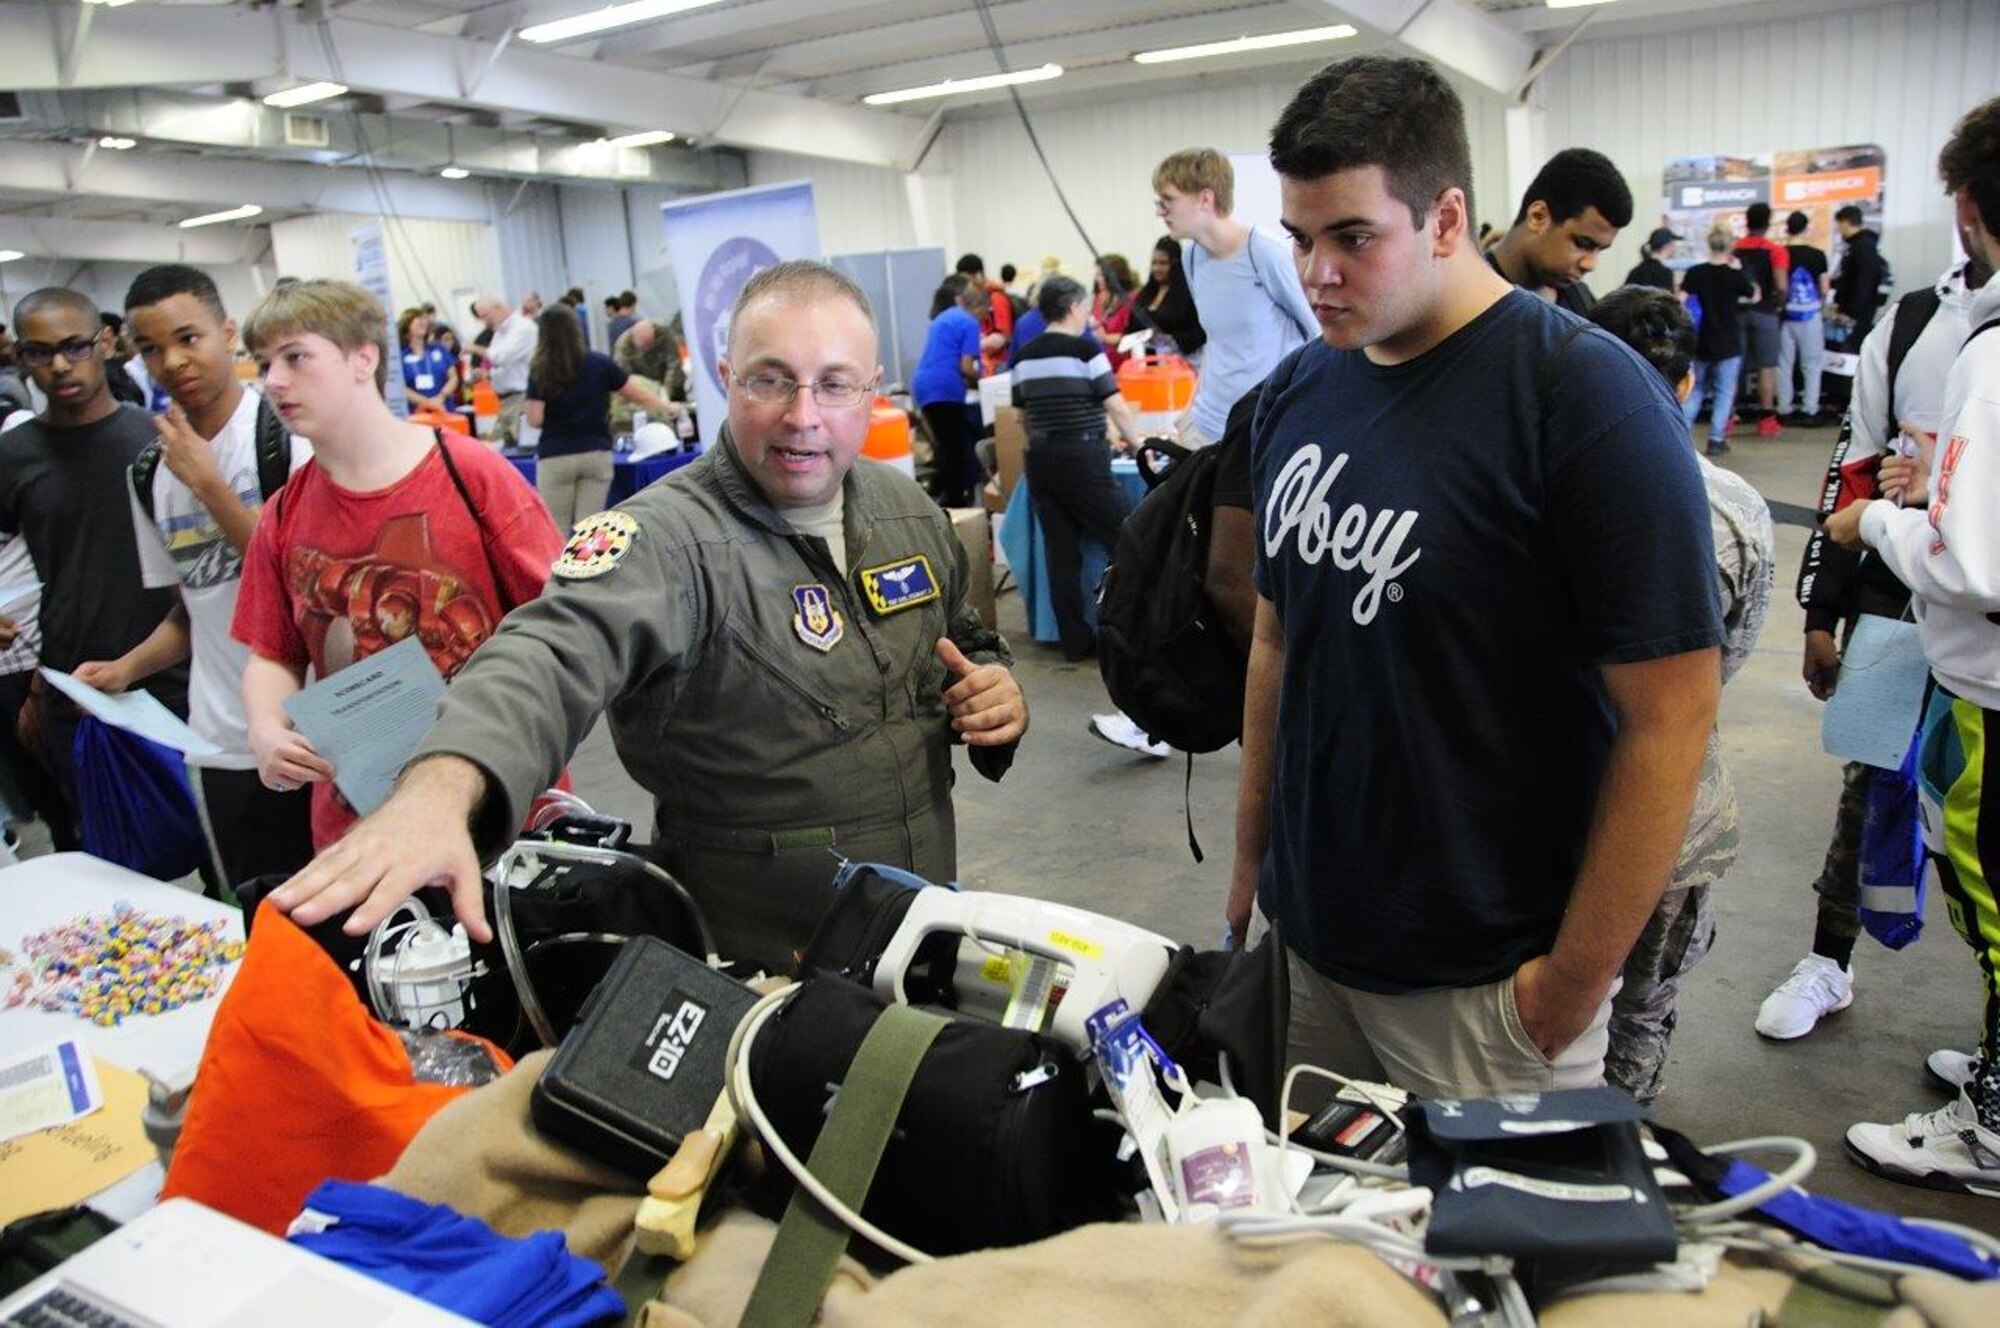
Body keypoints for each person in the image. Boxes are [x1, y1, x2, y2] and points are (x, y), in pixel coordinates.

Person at [261, 261, 1028, 973]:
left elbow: (962, 640)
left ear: (873, 390)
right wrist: (442, 787)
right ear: (726, 380)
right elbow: (545, 655)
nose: (803, 416)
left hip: (926, 914)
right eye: (771, 381)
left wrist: (997, 691)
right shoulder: (662, 540)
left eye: (835, 385)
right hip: (763, 955)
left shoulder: (906, 512)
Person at [1231, 56, 1722, 1101]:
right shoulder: (1298, 390)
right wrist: (1251, 863)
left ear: (1445, 216)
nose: (1315, 272)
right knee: (1324, 1256)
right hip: (1312, 952)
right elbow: (1278, 640)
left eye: (1351, 236)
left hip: (1486, 994)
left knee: (1493, 1266)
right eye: (1298, 239)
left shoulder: (1582, 399)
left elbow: (1671, 715)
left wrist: (1566, 988)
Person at [231, 280, 564, 853]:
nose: (275, 382)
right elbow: (273, 653)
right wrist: (264, 728)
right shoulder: (283, 513)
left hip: (501, 806)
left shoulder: (471, 475)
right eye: (265, 364)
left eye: (296, 357)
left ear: (363, 356)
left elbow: (563, 620)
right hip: (363, 820)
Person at [1827, 95, 2000, 1197]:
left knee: (1989, 898)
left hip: (1980, 675)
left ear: (1969, 205)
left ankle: (1988, 1132)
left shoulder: (1990, 350)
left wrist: (1877, 524)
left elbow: (1966, 559)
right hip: (1934, 664)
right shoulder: (1912, 325)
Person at [1762, 243, 1993, 1044]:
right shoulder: (1912, 324)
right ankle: (1830, 956)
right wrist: (1821, 612)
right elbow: (1852, 469)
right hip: (1897, 601)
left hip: (1985, 625)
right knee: (1870, 782)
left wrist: (1945, 495)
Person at [68, 264, 316, 890]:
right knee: (263, 916)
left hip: (319, 729)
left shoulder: (289, 438)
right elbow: (194, 608)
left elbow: (303, 580)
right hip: (224, 740)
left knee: (363, 925)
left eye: (188, 337)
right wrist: (126, 669)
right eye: (150, 348)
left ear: (228, 332)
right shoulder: (150, 471)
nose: (172, 360)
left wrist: (210, 486)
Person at [1587, 285, 1773, 1104]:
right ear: (1689, 384)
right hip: (1679, 805)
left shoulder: (1544, 499)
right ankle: (1623, 1150)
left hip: (1554, 803)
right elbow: (1725, 662)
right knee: (1645, 1005)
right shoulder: (1740, 509)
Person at [0, 288, 190, 847]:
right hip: (74, 687)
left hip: (178, 680)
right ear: (19, 358)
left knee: (214, 858)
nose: (59, 365)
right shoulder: (14, 457)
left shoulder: (160, 441)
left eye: (74, 346)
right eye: (39, 352)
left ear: (105, 343)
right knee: (92, 858)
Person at [1011, 276, 1145, 663]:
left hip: (1041, 461)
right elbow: (1116, 406)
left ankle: (1075, 640)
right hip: (1083, 460)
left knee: (1061, 556)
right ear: (1073, 307)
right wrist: (1139, 445)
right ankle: (1135, 632)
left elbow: (1022, 416)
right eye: (1086, 306)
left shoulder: (1023, 357)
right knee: (1130, 541)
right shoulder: (1086, 350)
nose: (1088, 314)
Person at [1152, 147, 1316, 449]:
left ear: (1205, 198)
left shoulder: (1263, 252)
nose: (1160, 212)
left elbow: (1317, 335)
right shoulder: (1191, 258)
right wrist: (1191, 407)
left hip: (1264, 425)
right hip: (1207, 426)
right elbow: (1216, 342)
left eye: (1168, 201)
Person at [525, 305, 680, 533]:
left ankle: (557, 569)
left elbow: (534, 419)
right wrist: (668, 406)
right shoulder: (599, 363)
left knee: (555, 530)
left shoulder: (540, 369)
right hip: (596, 454)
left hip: (555, 455)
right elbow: (639, 395)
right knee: (589, 529)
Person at [1486, 147, 1633, 315]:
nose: (1590, 265)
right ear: (1538, 217)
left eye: (1600, 250)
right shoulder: (1468, 301)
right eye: (1582, 244)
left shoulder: (1580, 298)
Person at [1678, 224, 1759, 454]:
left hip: (1702, 339)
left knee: (1696, 389)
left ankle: (1681, 434)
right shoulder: (1735, 276)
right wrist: (1740, 270)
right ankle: (1716, 439)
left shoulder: (1695, 273)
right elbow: (1754, 295)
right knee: (1724, 392)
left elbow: (1679, 300)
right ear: (1730, 245)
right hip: (1729, 341)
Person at [911, 275, 985, 509]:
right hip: (946, 389)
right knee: (957, 451)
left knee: (945, 448)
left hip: (924, 386)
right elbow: (965, 366)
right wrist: (983, 381)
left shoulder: (942, 318)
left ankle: (946, 499)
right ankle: (956, 505)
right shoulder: (969, 322)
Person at [1733, 202, 1792, 436]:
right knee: (1766, 367)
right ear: (1768, 223)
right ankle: (1766, 420)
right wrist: (1778, 304)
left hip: (1737, 313)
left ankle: (1728, 417)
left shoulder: (1735, 249)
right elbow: (1781, 285)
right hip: (1766, 312)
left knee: (1735, 366)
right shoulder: (1776, 250)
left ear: (1747, 221)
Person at [1779, 210, 1832, 426]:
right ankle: (1810, 408)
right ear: (1806, 228)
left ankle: (1783, 407)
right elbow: (1825, 287)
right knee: (1811, 364)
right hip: (1811, 315)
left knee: (1784, 364)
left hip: (1785, 316)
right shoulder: (1818, 255)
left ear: (1787, 228)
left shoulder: (1780, 253)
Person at [468, 294, 538, 446]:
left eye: (486, 316)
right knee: (505, 448)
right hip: (505, 401)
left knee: (521, 446)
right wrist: (487, 374)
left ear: (499, 308)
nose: (484, 322)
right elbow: (503, 365)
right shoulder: (499, 333)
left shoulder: (523, 328)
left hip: (521, 400)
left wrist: (473, 348)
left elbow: (501, 357)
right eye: (481, 318)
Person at [1134, 235, 1207, 358]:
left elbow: (1201, 333)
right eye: (1154, 263)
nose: (1156, 268)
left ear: (1176, 264)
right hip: (1146, 363)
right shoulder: (1145, 293)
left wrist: (1171, 340)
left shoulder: (1189, 294)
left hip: (1180, 364)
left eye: (1163, 263)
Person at [1832, 204, 1890, 340]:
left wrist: (1850, 312)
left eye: (1839, 224)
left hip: (1858, 313)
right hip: (1855, 310)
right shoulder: (1857, 245)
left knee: (1852, 350)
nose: (1838, 229)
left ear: (1846, 223)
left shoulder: (1863, 246)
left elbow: (1863, 282)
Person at [954, 253, 1013, 375]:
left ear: (979, 274)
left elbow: (1004, 335)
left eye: (968, 280)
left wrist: (974, 346)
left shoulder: (996, 297)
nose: (966, 285)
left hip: (998, 365)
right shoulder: (977, 296)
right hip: (983, 363)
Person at [398, 307, 459, 417]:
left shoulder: (439, 349)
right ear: (407, 326)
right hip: (419, 413)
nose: (423, 322)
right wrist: (428, 403)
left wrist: (441, 397)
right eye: (418, 320)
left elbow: (453, 377)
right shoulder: (401, 357)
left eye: (424, 320)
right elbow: (400, 387)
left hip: (444, 408)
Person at [1090, 254, 1141, 370]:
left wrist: (1104, 337)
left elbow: (1134, 336)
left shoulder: (1133, 299)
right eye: (1096, 274)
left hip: (1126, 366)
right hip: (1103, 365)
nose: (1097, 279)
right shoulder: (1100, 297)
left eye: (1100, 275)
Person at [1625, 227, 1682, 291]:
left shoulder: (1635, 272)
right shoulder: (1664, 273)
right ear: (1667, 245)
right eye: (1673, 244)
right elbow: (1666, 300)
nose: (1675, 247)